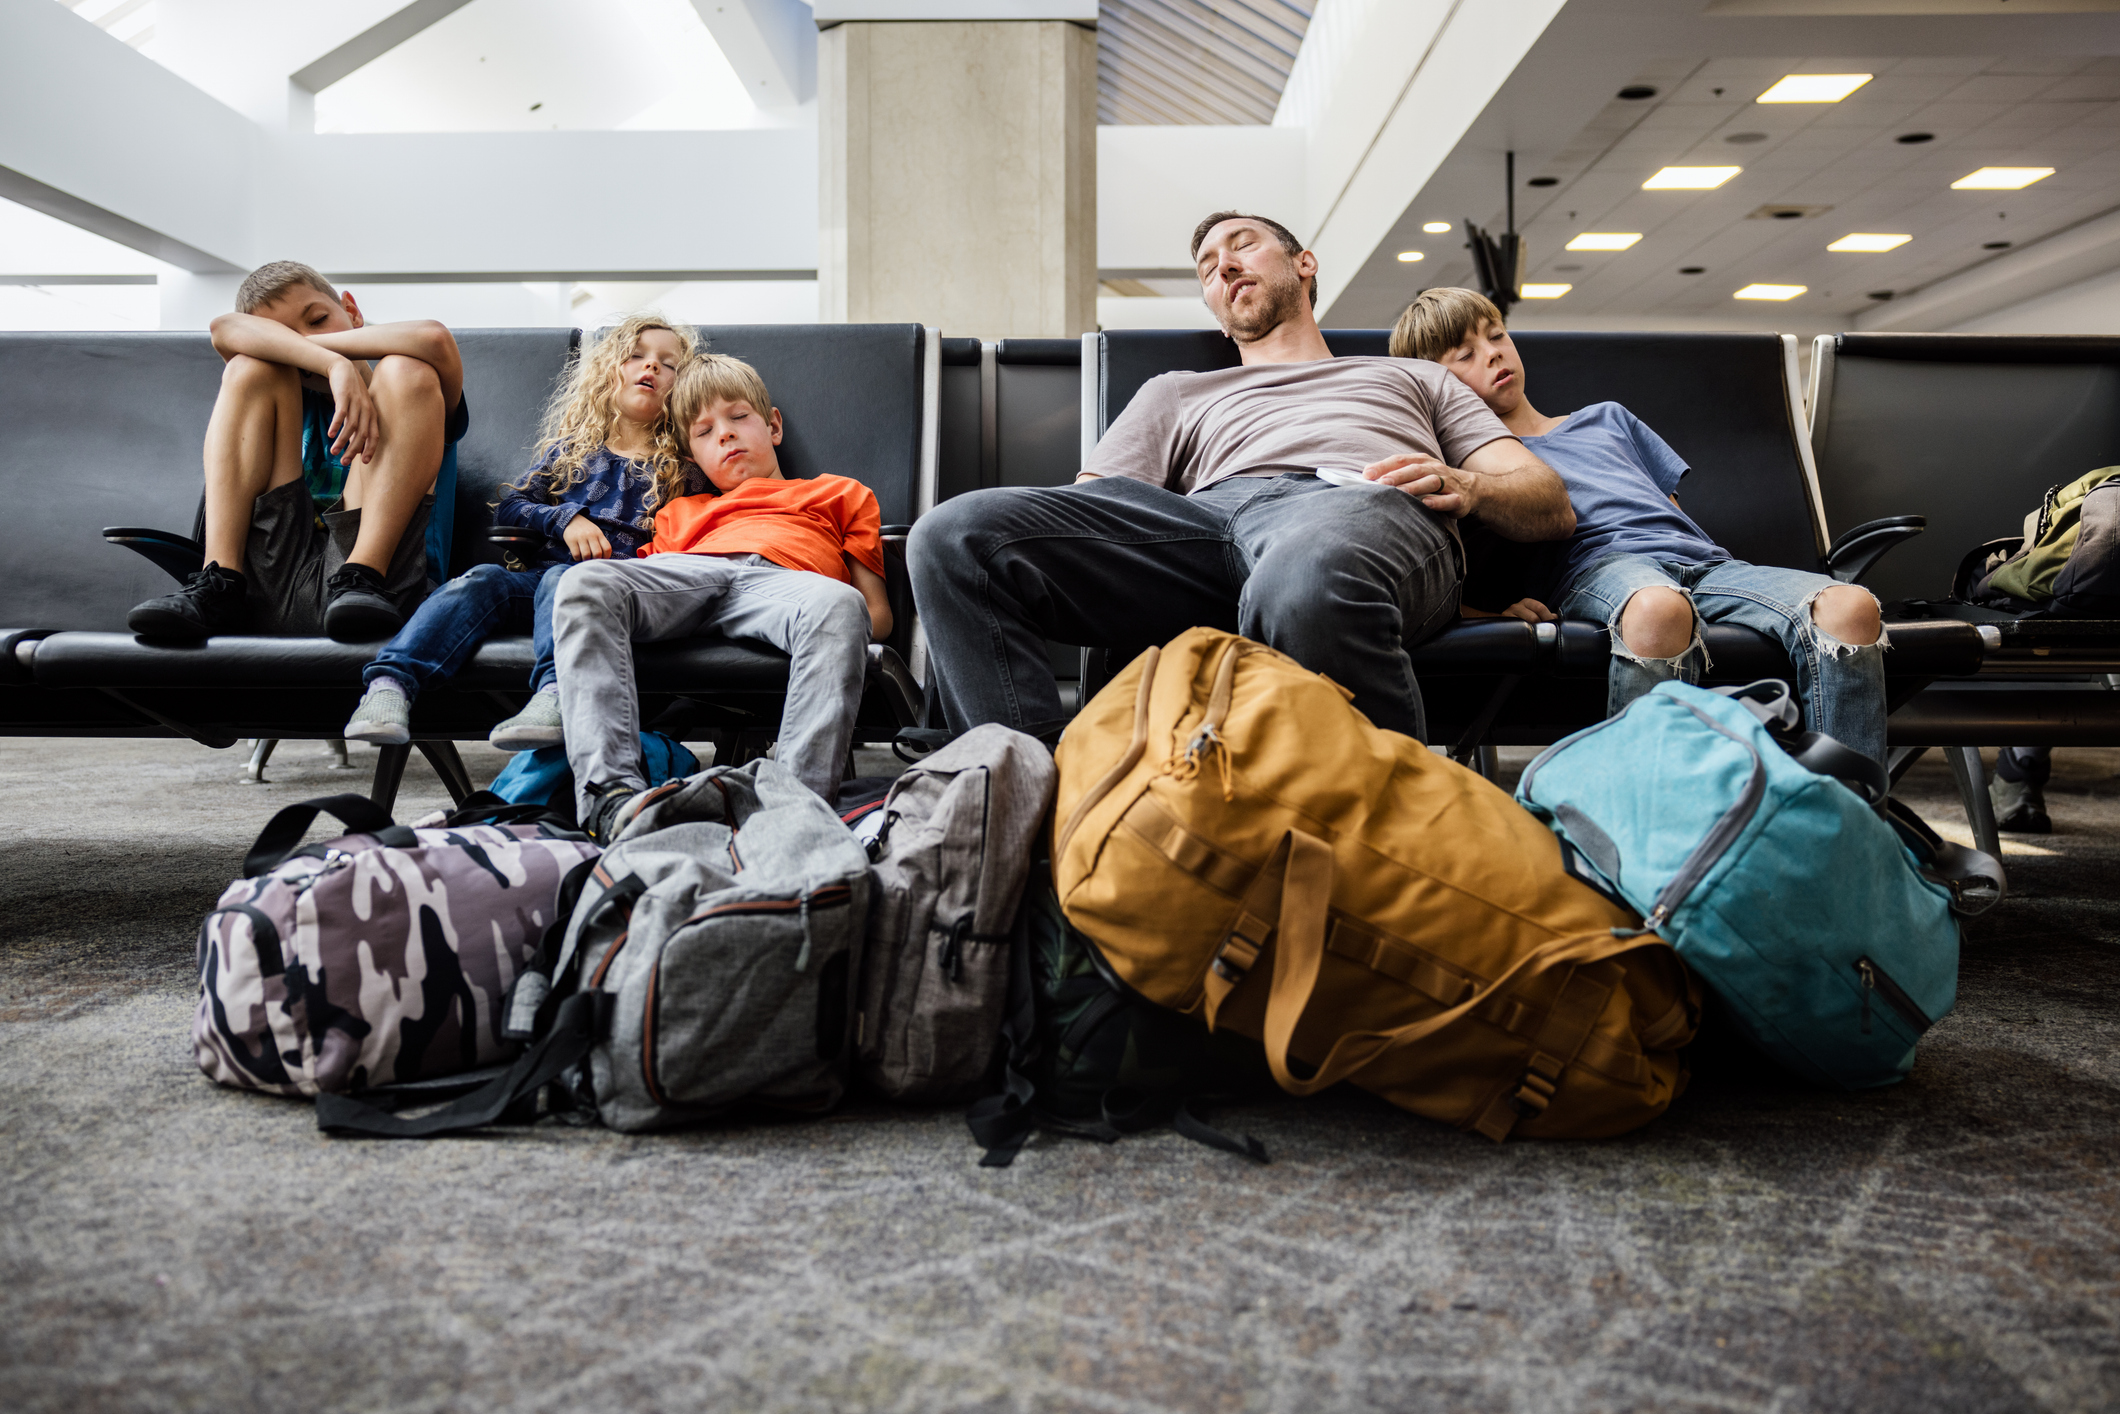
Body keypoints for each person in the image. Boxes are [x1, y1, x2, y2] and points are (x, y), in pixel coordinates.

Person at [909, 212, 1574, 745]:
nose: (1222, 264)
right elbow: (1090, 507)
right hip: (1201, 526)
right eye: (1207, 267)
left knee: (1305, 578)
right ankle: (1048, 812)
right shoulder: (1176, 391)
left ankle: (1383, 854)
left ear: (1304, 265)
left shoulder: (1411, 376)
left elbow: (1548, 502)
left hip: (1356, 501)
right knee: (954, 536)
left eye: (1243, 245)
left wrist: (1471, 488)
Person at [1393, 286, 1889, 763]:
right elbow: (1445, 571)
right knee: (1657, 609)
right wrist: (1488, 613)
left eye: (1496, 335)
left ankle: (1851, 828)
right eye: (1465, 354)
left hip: (1704, 562)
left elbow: (1667, 510)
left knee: (1850, 606)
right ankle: (1643, 824)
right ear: (1437, 383)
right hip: (1600, 569)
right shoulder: (1472, 469)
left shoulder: (1608, 419)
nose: (1493, 354)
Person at [551, 354, 893, 841]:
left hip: (787, 587)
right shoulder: (678, 512)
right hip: (693, 575)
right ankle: (612, 799)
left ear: (773, 425)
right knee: (585, 584)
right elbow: (646, 587)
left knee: (840, 605)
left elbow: (875, 616)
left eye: (738, 417)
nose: (725, 435)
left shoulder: (840, 493)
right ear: (692, 458)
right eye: (705, 431)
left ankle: (792, 812)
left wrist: (842, 614)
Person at [340, 315, 700, 750]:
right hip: (541, 583)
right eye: (636, 356)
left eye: (669, 364)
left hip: (621, 594)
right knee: (482, 579)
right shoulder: (571, 451)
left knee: (558, 579)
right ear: (610, 370)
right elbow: (511, 506)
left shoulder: (684, 467)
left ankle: (554, 693)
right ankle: (390, 686)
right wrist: (564, 518)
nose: (652, 367)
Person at [127, 261, 468, 643]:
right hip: (267, 581)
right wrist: (333, 363)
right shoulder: (276, 392)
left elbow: (433, 339)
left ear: (352, 312)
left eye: (318, 319)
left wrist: (296, 350)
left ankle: (362, 575)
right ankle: (218, 581)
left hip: (384, 589)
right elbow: (224, 328)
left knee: (409, 369)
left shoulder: (411, 400)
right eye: (280, 336)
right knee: (248, 368)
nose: (303, 338)